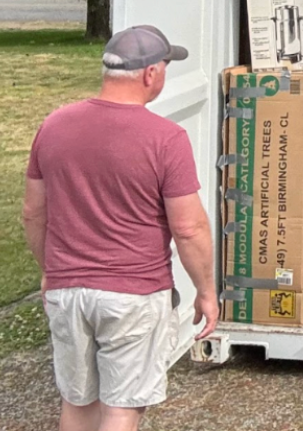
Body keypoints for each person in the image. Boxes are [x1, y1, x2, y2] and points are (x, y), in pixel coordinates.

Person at [22, 25, 219, 431]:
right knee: (122, 408)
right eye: (165, 66)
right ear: (151, 74)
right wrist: (206, 291)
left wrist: (51, 271)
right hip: (133, 294)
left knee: (78, 403)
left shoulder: (54, 126)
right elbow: (188, 228)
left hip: (68, 291)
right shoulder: (165, 139)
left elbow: (33, 214)